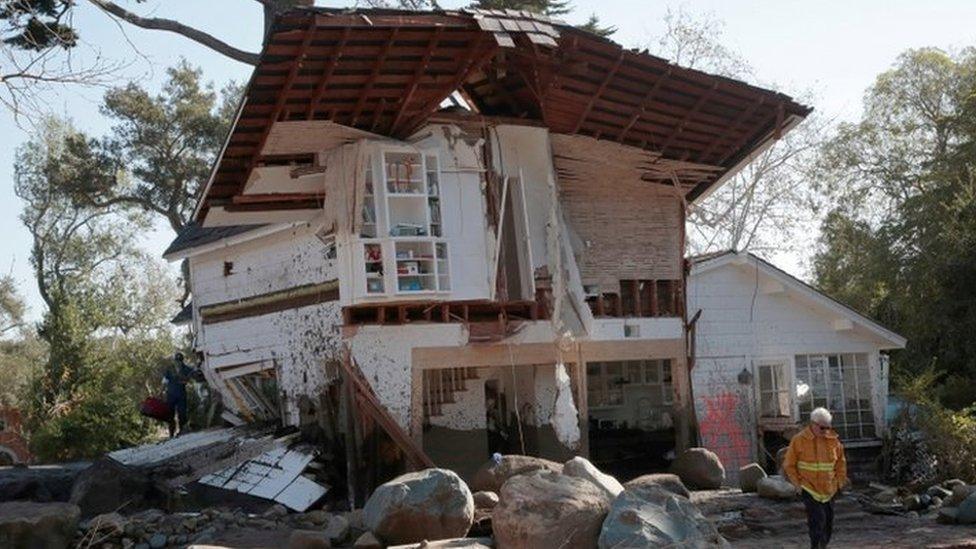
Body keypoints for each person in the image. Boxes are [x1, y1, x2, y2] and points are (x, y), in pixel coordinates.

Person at [783, 407, 849, 549]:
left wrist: (839, 484)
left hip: (829, 490)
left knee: (828, 524)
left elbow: (841, 465)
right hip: (809, 488)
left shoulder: (834, 441)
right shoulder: (799, 440)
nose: (825, 431)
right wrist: (798, 485)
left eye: (828, 427)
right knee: (817, 522)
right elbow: (789, 465)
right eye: (822, 428)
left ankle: (822, 546)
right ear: (813, 424)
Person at [163, 352, 197, 438]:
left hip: (177, 394)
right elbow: (164, 381)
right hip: (173, 394)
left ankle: (180, 432)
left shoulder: (185, 369)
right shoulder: (170, 369)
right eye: (177, 361)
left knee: (181, 414)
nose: (178, 362)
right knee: (172, 414)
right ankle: (172, 433)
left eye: (179, 361)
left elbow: (194, 374)